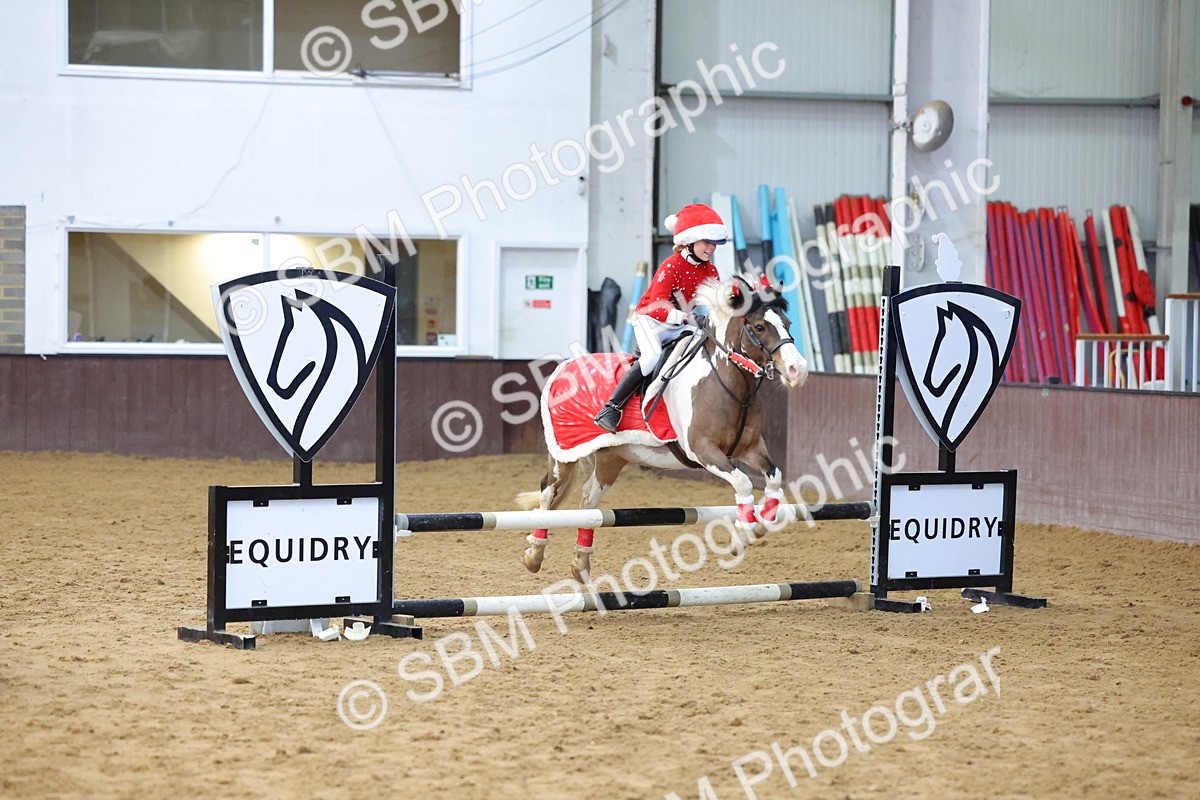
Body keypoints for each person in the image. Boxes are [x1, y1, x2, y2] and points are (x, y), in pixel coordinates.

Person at [594, 202, 729, 433]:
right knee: (651, 358)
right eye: (707, 242)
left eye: (714, 244)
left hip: (679, 324)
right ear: (689, 241)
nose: (711, 249)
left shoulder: (711, 271)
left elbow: (718, 301)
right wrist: (687, 318)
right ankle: (611, 408)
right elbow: (657, 304)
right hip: (650, 320)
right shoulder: (671, 265)